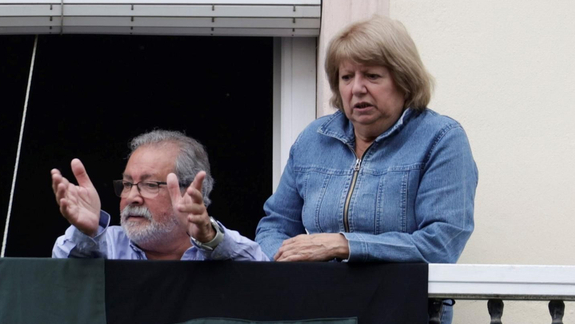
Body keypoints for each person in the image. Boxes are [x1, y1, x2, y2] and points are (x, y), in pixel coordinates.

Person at [256, 16, 476, 265]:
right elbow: (274, 226)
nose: (357, 88)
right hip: (320, 298)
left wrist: (344, 244)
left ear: (404, 80)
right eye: (347, 77)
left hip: (404, 302)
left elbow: (442, 243)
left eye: (372, 76)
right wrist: (288, 259)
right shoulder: (314, 139)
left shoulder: (440, 139)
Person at [51, 130, 266, 261]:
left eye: (150, 184)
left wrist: (209, 239)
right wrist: (86, 233)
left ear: (191, 192)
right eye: (127, 184)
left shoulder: (222, 247)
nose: (133, 197)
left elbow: (264, 278)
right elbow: (60, 270)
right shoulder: (106, 246)